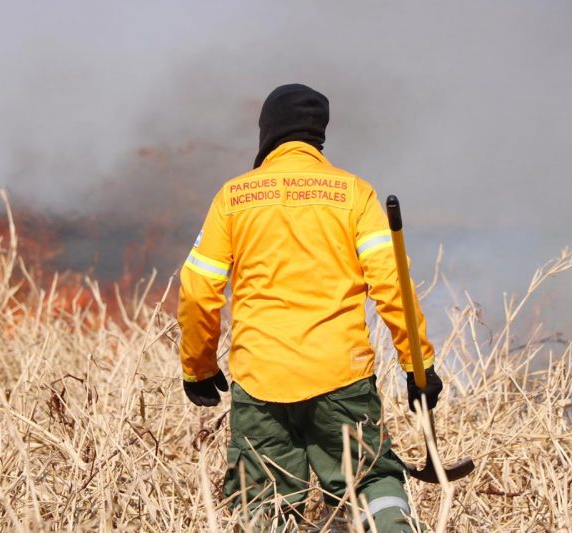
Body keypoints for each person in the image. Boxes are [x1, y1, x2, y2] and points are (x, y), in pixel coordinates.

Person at [177, 83, 443, 531]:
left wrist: (197, 366)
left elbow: (199, 289)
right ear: (318, 137)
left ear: (267, 132)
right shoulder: (355, 194)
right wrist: (419, 367)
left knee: (264, 501)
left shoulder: (234, 197)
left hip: (261, 380)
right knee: (371, 480)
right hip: (342, 376)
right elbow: (392, 283)